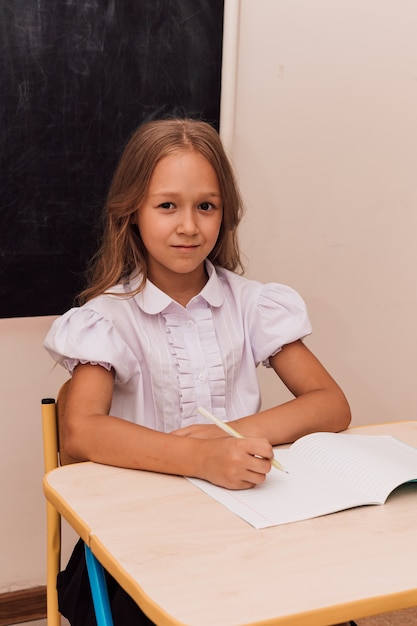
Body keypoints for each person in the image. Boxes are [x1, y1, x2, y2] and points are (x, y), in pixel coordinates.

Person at [44, 118, 352, 626]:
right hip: (140, 539)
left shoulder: (253, 304)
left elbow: (330, 404)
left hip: (246, 521)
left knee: (323, 603)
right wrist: (199, 457)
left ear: (224, 214)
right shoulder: (107, 318)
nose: (189, 225)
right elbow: (79, 432)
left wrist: (228, 438)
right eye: (167, 206)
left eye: (205, 206)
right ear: (132, 213)